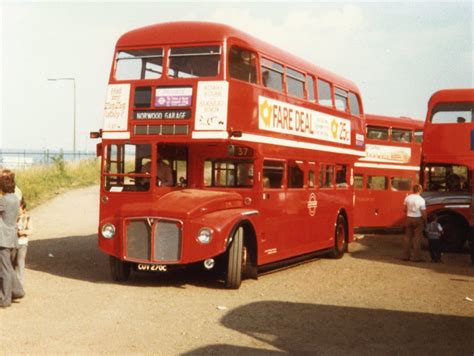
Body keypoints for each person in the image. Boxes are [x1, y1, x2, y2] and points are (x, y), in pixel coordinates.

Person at [0, 170, 24, 308]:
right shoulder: (15, 198)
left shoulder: (3, 200)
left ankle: (5, 299)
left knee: (5, 269)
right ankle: (18, 291)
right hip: (11, 237)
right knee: (8, 267)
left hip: (3, 238)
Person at [402, 184, 427, 262]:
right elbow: (423, 212)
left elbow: (404, 209)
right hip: (418, 219)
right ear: (420, 190)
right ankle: (416, 257)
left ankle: (406, 256)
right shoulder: (421, 200)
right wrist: (425, 221)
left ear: (413, 189)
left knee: (407, 238)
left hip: (409, 218)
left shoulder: (407, 198)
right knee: (417, 238)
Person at [11, 198, 32, 284]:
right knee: (11, 262)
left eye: (19, 209)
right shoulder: (12, 218)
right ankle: (11, 283)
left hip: (22, 244)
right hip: (12, 244)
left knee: (20, 263)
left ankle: (19, 283)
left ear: (24, 209)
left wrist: (22, 232)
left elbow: (30, 231)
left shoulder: (27, 219)